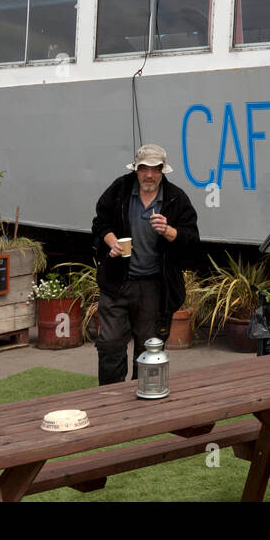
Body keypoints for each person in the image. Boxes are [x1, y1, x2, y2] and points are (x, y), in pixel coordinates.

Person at [92, 143, 200, 385]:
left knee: (148, 349)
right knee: (109, 344)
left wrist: (169, 231)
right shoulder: (119, 189)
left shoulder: (176, 199)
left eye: (155, 169)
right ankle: (109, 397)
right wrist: (111, 243)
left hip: (154, 286)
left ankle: (141, 400)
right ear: (136, 169)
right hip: (117, 281)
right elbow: (100, 223)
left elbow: (192, 241)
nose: (149, 175)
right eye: (144, 169)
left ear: (163, 171)